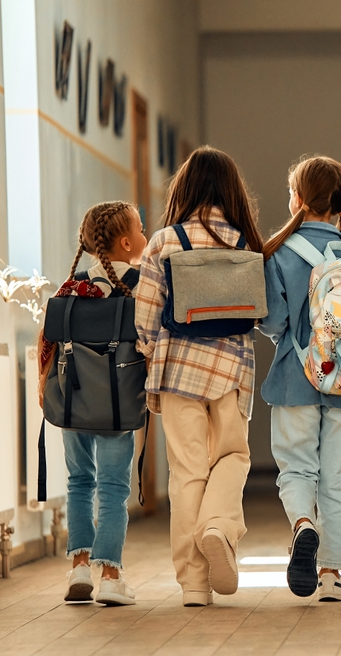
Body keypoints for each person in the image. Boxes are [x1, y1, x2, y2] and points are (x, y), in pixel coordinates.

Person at [134, 146, 265, 607]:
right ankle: (218, 527)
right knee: (232, 456)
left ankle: (194, 584)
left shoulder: (164, 241)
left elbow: (146, 318)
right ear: (232, 191)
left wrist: (152, 351)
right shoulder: (244, 242)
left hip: (176, 371)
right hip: (231, 370)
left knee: (187, 472)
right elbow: (259, 313)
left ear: (184, 187)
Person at [259, 155, 341, 602]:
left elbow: (272, 322)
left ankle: (302, 525)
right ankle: (331, 574)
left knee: (296, 467)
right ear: (339, 202)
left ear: (298, 198)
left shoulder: (282, 251)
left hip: (295, 375)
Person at [47, 201, 146, 606]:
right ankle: (111, 575)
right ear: (126, 243)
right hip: (117, 408)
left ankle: (79, 568)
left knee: (79, 483)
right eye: (141, 228)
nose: (145, 233)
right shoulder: (139, 286)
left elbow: (49, 345)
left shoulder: (71, 288)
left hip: (73, 404)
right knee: (112, 487)